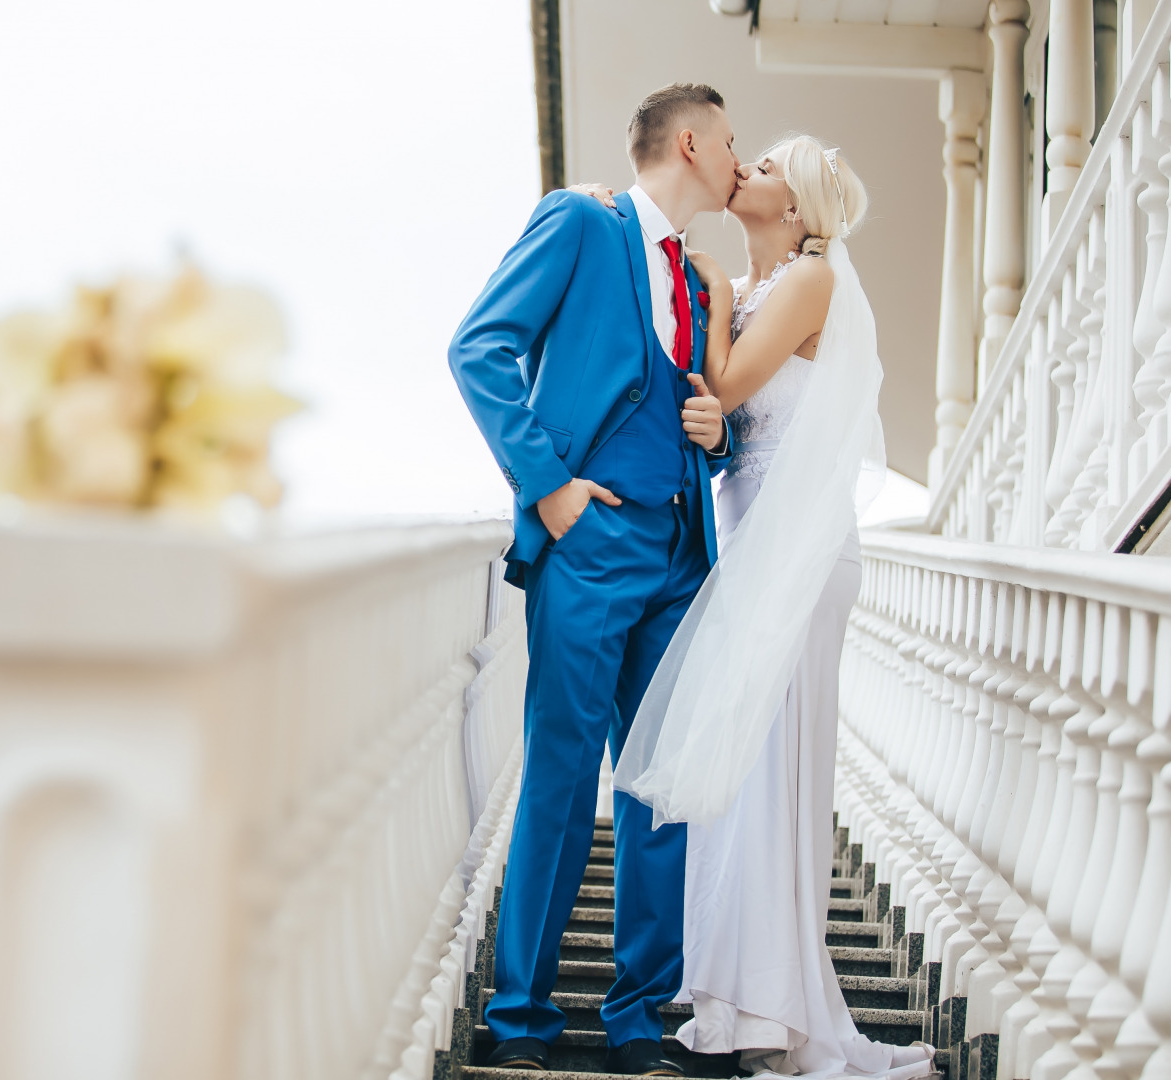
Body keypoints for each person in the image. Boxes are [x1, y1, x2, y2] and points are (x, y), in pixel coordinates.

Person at [578, 135, 935, 1078]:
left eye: (769, 162)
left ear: (799, 201)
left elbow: (725, 390)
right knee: (738, 773)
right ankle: (737, 1004)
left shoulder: (811, 278)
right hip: (748, 539)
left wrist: (718, 308)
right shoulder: (751, 286)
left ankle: (770, 1012)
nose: (751, 169)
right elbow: (701, 391)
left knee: (771, 767)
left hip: (800, 548)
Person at [448, 83, 739, 1075]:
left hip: (676, 554)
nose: (738, 163)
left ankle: (637, 1023)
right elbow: (480, 346)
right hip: (591, 543)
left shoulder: (698, 285)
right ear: (691, 142)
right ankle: (524, 1021)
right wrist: (551, 489)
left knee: (659, 793)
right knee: (565, 779)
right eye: (730, 143)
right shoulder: (583, 221)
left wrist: (716, 431)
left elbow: (697, 416)